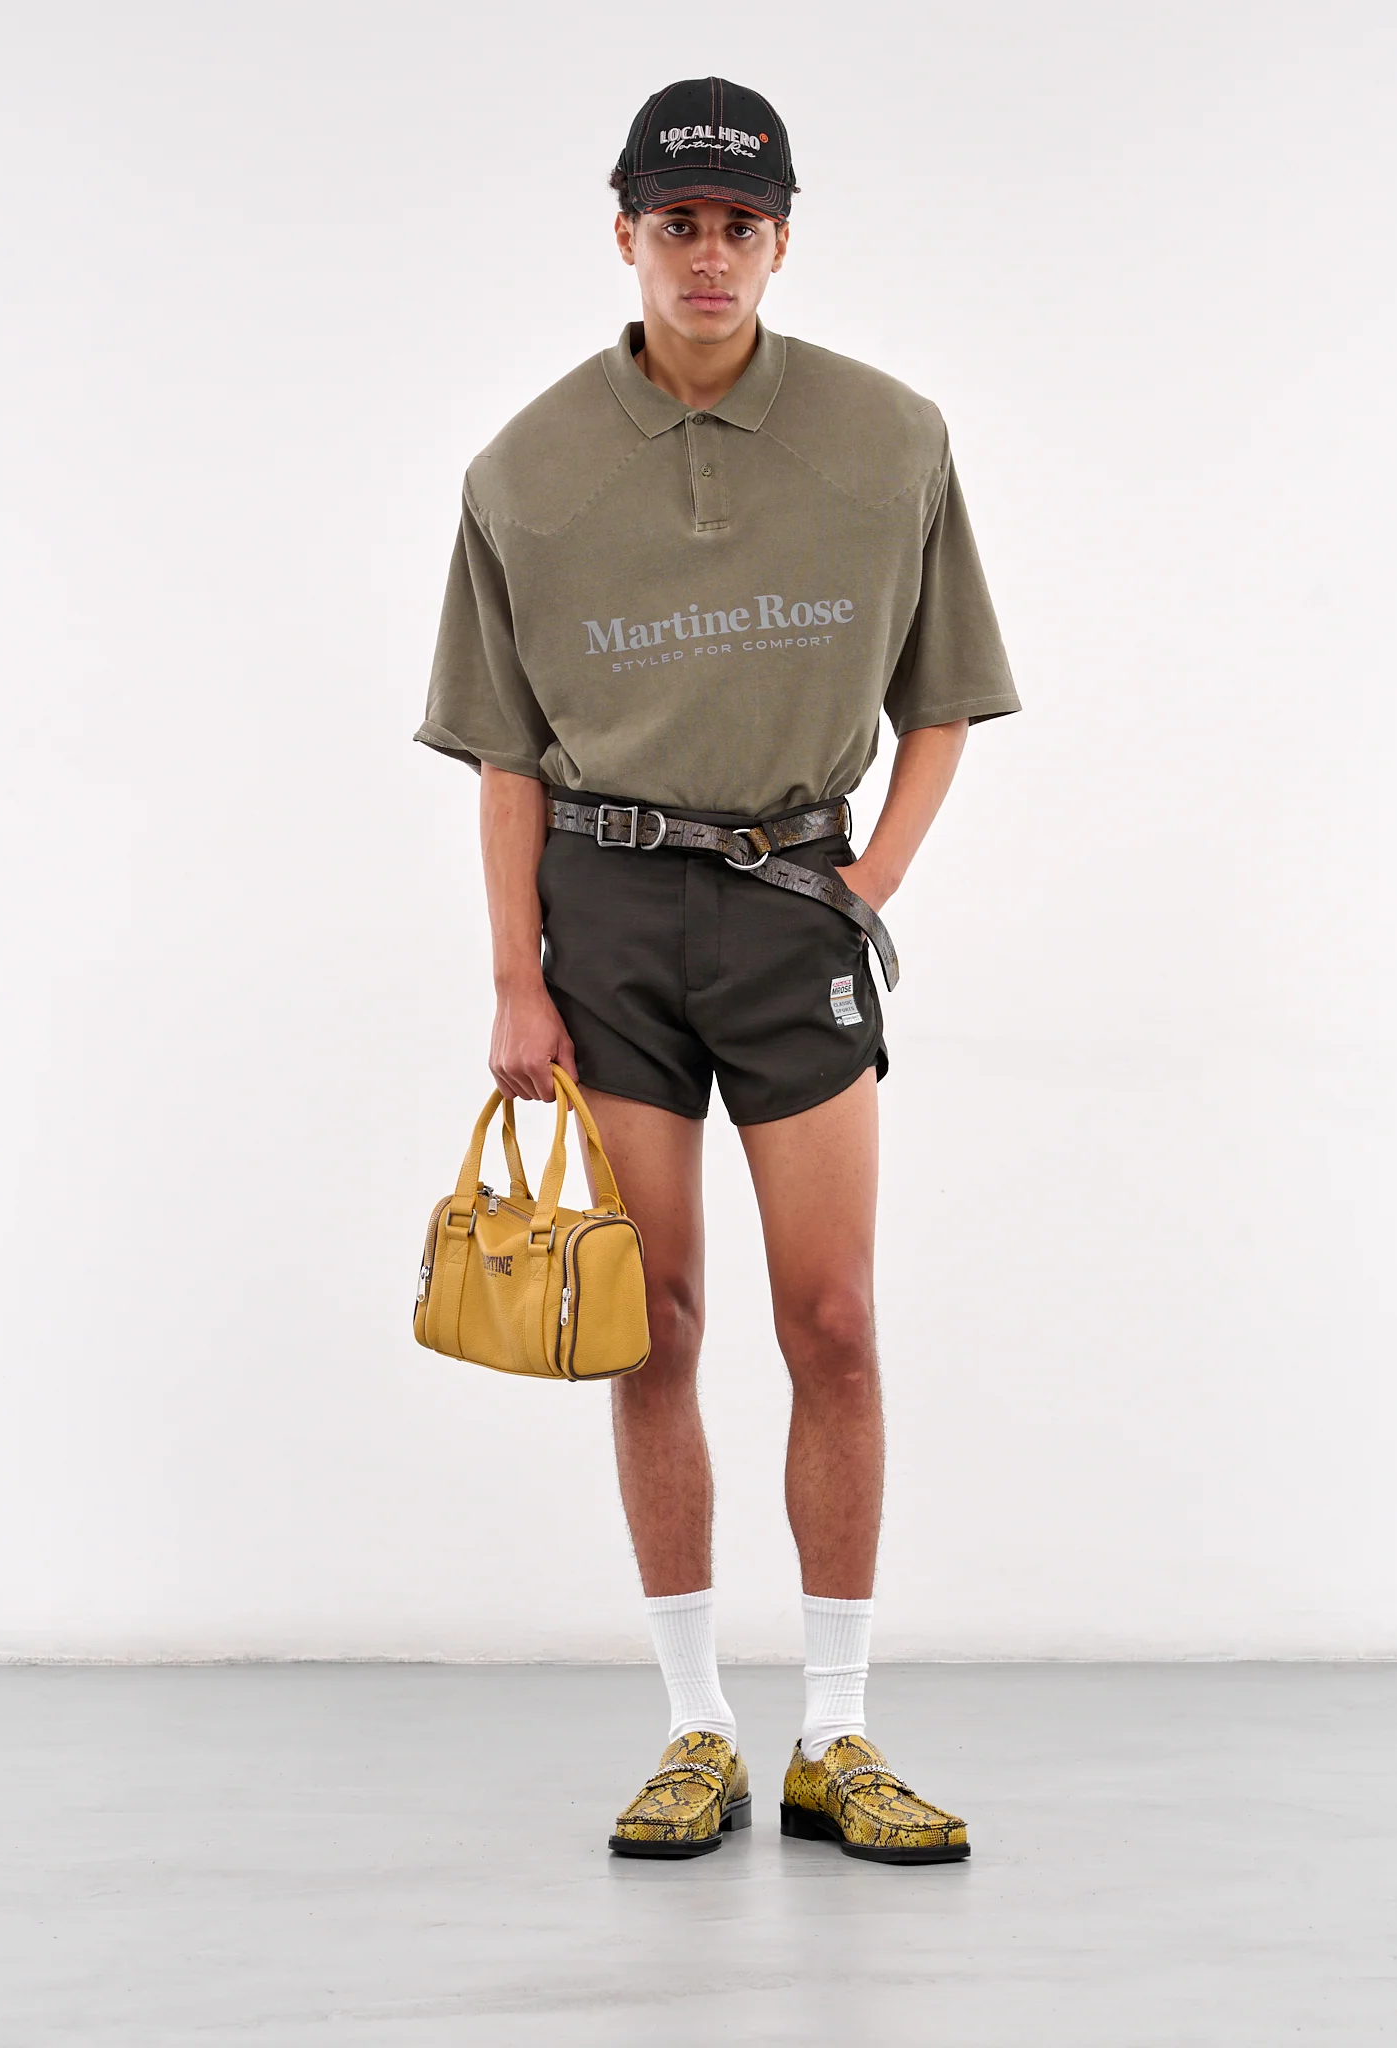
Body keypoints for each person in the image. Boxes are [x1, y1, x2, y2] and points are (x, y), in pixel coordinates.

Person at [416, 76, 1020, 1864]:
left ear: (782, 239)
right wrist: (516, 977)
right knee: (653, 1321)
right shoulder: (523, 471)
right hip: (603, 918)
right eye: (676, 222)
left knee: (831, 1320)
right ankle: (694, 1728)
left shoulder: (890, 438)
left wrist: (867, 882)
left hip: (790, 907)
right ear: (624, 233)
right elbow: (506, 756)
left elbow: (941, 698)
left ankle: (837, 1733)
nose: (708, 253)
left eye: (740, 224)